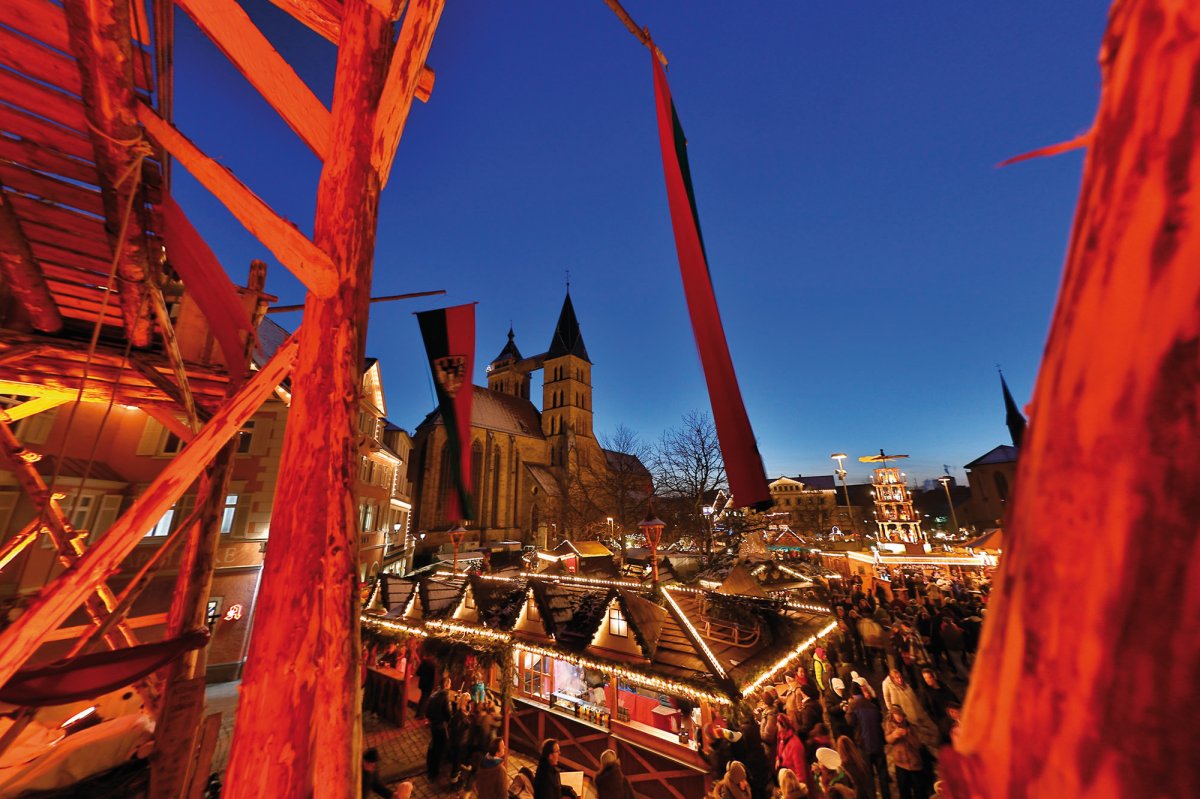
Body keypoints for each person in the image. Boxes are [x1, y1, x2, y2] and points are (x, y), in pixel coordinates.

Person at [880, 668, 938, 750]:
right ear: (893, 680)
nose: (899, 679)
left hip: (920, 715)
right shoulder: (893, 691)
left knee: (932, 730)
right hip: (911, 720)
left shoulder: (907, 686)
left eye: (900, 677)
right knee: (924, 738)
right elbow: (890, 703)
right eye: (896, 678)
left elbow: (915, 701)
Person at [847, 685, 888, 799]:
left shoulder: (853, 705)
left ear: (852, 695)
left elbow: (850, 722)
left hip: (864, 746)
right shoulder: (871, 705)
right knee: (883, 774)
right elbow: (880, 718)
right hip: (878, 743)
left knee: (868, 777)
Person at [883, 706, 924, 799]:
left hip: (914, 763)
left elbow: (918, 745)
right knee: (904, 789)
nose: (899, 717)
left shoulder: (910, 725)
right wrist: (894, 736)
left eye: (900, 715)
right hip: (900, 763)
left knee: (919, 789)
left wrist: (907, 734)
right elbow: (888, 739)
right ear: (893, 715)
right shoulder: (889, 725)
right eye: (896, 714)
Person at [425, 677, 453, 782]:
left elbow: (427, 710)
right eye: (450, 684)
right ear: (446, 685)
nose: (450, 685)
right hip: (440, 725)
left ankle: (430, 767)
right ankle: (434, 772)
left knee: (434, 745)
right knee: (439, 748)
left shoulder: (434, 693)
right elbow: (448, 713)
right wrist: (449, 720)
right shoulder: (445, 696)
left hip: (433, 724)